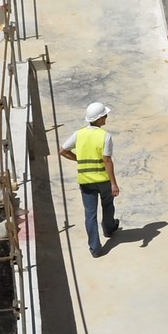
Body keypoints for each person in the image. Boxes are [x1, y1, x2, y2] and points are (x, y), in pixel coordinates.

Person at [63, 101, 119, 256]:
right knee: (107, 205)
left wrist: (78, 159)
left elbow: (63, 150)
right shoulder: (105, 136)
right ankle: (108, 229)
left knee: (90, 214)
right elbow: (107, 160)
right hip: (102, 179)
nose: (106, 117)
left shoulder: (78, 134)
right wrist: (114, 183)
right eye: (105, 115)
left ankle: (95, 248)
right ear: (99, 119)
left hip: (85, 181)